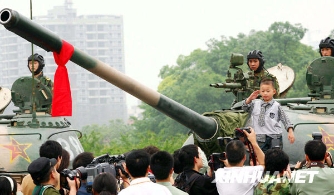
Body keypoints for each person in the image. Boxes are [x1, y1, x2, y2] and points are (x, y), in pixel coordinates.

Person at [242, 78, 295, 152]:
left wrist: (290, 131)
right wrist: (250, 99)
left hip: (275, 137)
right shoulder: (255, 104)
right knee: (260, 157)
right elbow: (244, 108)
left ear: (273, 91)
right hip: (260, 138)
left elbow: (285, 119)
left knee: (275, 157)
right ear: (260, 92)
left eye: (268, 91)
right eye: (263, 91)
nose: (265, 93)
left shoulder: (277, 106)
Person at [215, 127, 265, 195]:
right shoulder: (250, 173)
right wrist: (253, 142)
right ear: (244, 157)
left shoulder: (218, 173)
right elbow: (264, 164)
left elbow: (232, 170)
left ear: (226, 156)